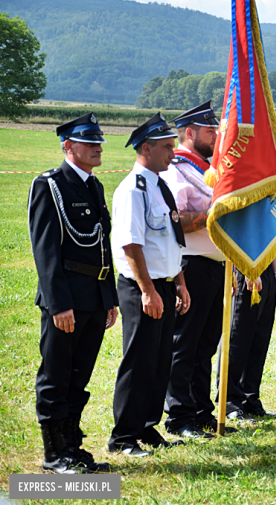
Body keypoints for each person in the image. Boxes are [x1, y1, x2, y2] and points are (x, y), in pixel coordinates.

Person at [28, 113, 118, 473]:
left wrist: (108, 298)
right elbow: (46, 252)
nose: (97, 148)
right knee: (56, 374)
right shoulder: (49, 185)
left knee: (79, 375)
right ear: (68, 146)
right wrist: (58, 304)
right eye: (89, 142)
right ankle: (53, 454)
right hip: (66, 298)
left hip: (94, 297)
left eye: (99, 142)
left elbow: (102, 246)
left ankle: (72, 446)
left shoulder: (93, 186)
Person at [108, 113, 189, 457]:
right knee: (139, 360)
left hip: (166, 285)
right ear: (146, 148)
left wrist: (180, 284)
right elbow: (131, 245)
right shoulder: (133, 189)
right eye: (167, 147)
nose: (173, 152)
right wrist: (147, 291)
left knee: (160, 361)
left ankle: (146, 426)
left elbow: (173, 241)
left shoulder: (160, 186)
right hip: (143, 288)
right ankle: (123, 436)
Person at [160, 101, 228, 438]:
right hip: (191, 264)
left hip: (215, 265)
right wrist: (214, 214)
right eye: (210, 130)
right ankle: (178, 415)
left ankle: (201, 412)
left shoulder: (209, 170)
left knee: (206, 344)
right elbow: (176, 224)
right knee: (184, 343)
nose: (216, 135)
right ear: (190, 133)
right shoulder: (176, 170)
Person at [218, 259, 276, 420]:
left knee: (259, 340)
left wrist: (275, 272)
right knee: (238, 339)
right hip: (247, 268)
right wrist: (247, 269)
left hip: (265, 270)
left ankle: (249, 398)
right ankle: (230, 402)